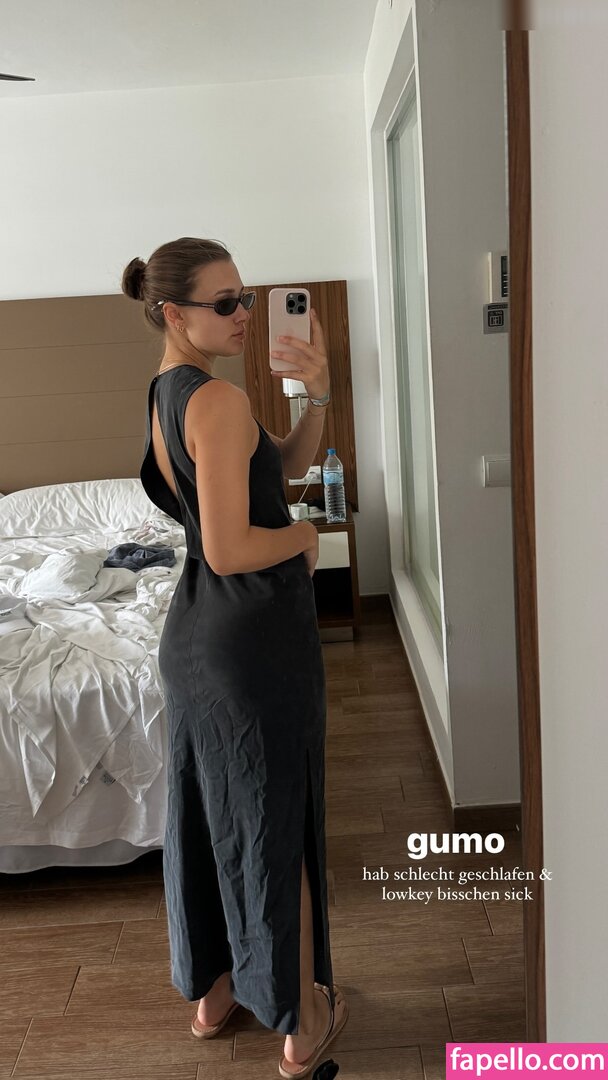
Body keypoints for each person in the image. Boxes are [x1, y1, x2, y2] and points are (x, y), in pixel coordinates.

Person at [122, 237, 348, 1078]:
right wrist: (305, 538)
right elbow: (229, 546)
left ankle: (215, 994)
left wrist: (316, 394)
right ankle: (303, 1022)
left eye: (246, 297)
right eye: (225, 303)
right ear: (173, 313)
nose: (245, 313)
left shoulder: (170, 391)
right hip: (249, 639)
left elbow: (278, 467)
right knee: (274, 818)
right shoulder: (214, 399)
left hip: (199, 639)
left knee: (208, 814)